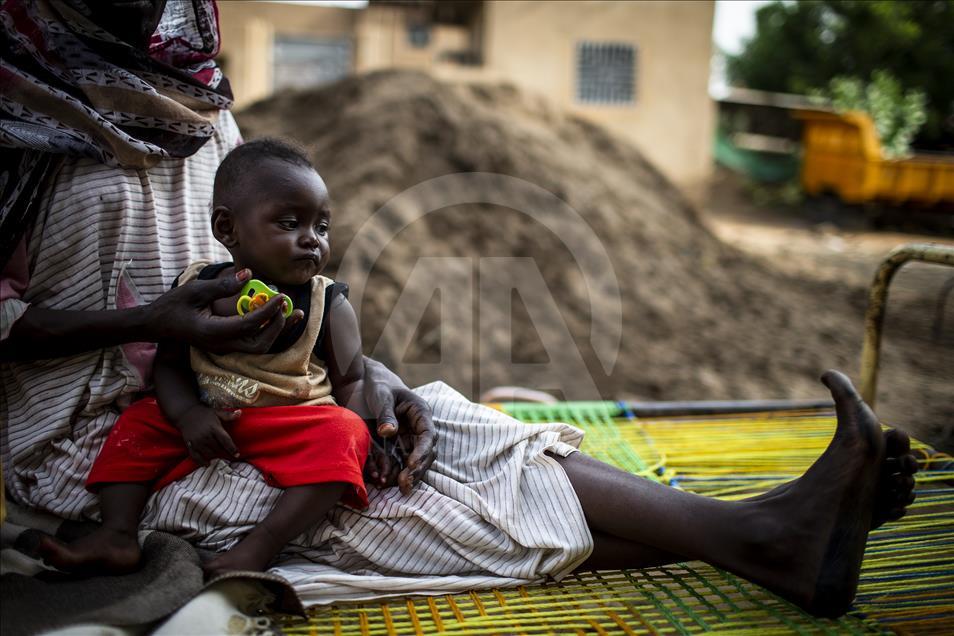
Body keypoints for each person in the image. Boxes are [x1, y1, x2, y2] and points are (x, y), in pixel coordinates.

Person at [0, 0, 919, 620]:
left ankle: (777, 534)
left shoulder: (193, 92)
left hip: (248, 390)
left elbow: (278, 287)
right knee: (383, 508)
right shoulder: (16, 113)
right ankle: (770, 537)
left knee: (441, 425)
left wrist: (374, 380)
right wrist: (158, 325)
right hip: (103, 445)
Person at [35, 138, 384, 577]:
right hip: (209, 415)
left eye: (322, 227)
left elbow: (351, 379)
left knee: (347, 432)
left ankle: (261, 546)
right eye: (291, 223)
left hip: (290, 421)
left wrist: (370, 432)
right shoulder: (197, 288)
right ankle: (117, 533)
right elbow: (170, 364)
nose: (311, 240)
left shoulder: (329, 302)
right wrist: (186, 415)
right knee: (138, 422)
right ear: (226, 228)